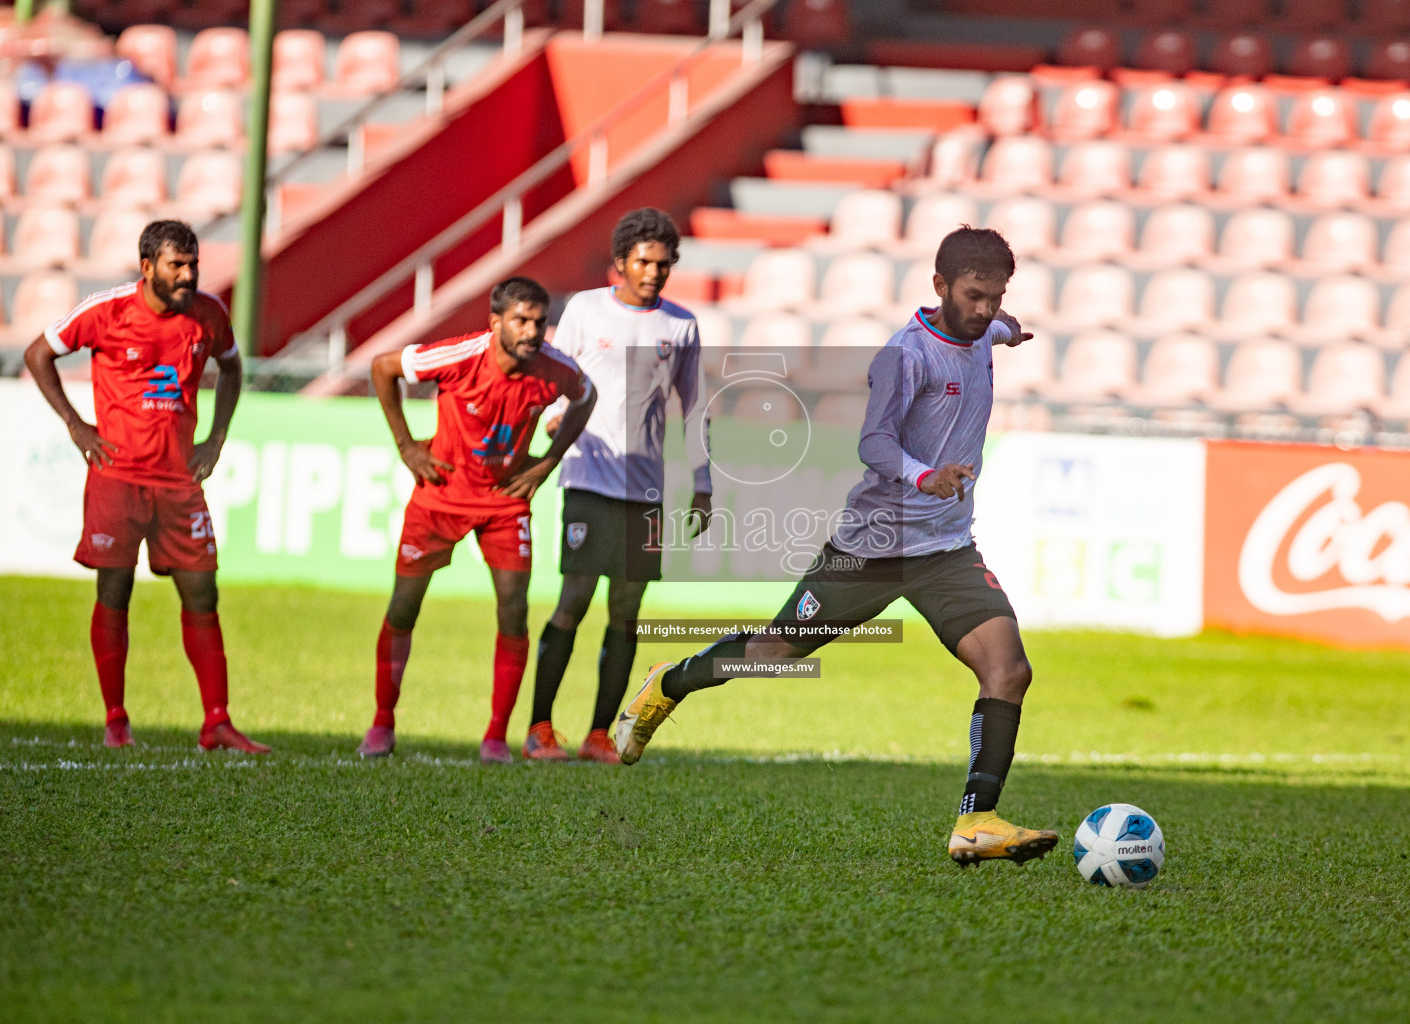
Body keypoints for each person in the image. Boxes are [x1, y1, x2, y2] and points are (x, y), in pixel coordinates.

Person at [612, 226, 1061, 868]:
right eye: (975, 295)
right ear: (938, 287)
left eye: (996, 296)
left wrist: (1008, 329)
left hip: (947, 550)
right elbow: (873, 443)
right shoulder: (906, 356)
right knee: (775, 651)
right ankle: (671, 681)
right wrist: (924, 475)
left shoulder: (984, 327)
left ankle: (976, 821)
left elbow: (994, 329)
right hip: (873, 548)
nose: (986, 308)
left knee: (1009, 669)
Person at [23, 219, 268, 753]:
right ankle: (116, 721)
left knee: (203, 592)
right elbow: (37, 354)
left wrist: (216, 437)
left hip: (180, 482)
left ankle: (217, 723)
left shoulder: (209, 314)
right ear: (147, 267)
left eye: (193, 264)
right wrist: (75, 423)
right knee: (115, 591)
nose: (188, 274)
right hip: (117, 478)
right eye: (176, 264)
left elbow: (231, 368)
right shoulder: (106, 311)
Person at [359, 276, 596, 764]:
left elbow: (587, 396)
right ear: (496, 324)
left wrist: (548, 461)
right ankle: (382, 723)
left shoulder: (555, 371)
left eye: (539, 322)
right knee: (404, 607)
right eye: (521, 321)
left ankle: (495, 737)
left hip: (504, 503)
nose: (533, 331)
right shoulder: (459, 356)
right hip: (441, 496)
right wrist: (406, 445)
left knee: (513, 609)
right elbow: (383, 368)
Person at [520, 208, 711, 764]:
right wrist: (553, 415)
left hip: (646, 490)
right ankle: (539, 728)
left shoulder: (680, 326)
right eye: (644, 262)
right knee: (574, 599)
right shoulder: (583, 308)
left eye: (663, 264)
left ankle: (599, 734)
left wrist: (702, 483)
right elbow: (556, 374)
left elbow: (693, 407)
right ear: (620, 263)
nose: (653, 273)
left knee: (626, 608)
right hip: (587, 476)